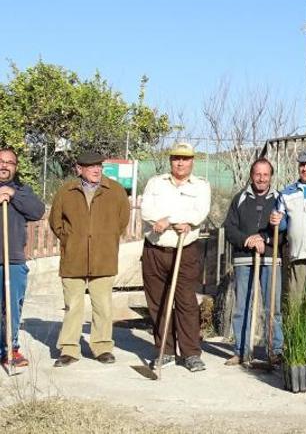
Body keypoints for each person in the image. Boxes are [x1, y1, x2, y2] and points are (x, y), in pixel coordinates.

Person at [49, 151, 130, 367]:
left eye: (99, 166)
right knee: (73, 305)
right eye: (91, 166)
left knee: (103, 305)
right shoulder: (66, 192)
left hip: (104, 257)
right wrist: (70, 239)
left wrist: (107, 238)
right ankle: (69, 349)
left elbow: (123, 220)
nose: (96, 170)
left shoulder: (115, 191)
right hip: (73, 257)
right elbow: (55, 221)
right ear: (79, 169)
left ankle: (102, 347)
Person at [140, 142, 211, 372]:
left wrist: (168, 220)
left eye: (185, 159)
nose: (180, 162)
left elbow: (198, 213)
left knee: (186, 302)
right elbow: (147, 212)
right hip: (155, 249)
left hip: (185, 249)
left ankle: (191, 353)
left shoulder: (201, 186)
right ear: (171, 160)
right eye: (176, 158)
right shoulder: (155, 183)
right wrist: (171, 221)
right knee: (158, 303)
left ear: (192, 161)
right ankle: (166, 350)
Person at [222, 158, 283, 366]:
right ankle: (241, 351)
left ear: (271, 177)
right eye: (258, 174)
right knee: (242, 306)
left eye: (266, 175)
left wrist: (264, 239)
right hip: (244, 259)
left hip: (270, 260)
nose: (261, 179)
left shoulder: (279, 199)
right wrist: (246, 239)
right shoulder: (240, 198)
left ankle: (274, 351)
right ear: (251, 175)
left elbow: (284, 231)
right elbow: (229, 228)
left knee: (272, 307)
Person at [0, 148, 45, 368]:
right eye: (1, 161)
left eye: (10, 162)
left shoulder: (22, 190)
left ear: (15, 167)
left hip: (13, 260)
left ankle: (11, 348)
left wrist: (14, 194)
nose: (4, 165)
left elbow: (37, 211)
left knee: (12, 308)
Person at [270, 149, 306, 304]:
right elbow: (282, 225)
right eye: (302, 165)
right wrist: (276, 220)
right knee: (295, 300)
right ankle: (295, 328)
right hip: (298, 253)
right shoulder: (287, 193)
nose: (305, 169)